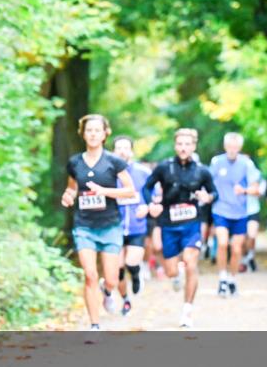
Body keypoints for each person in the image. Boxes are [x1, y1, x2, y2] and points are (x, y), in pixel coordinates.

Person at [61, 114, 136, 331]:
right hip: (84, 226)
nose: (93, 134)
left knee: (111, 279)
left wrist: (105, 191)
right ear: (83, 134)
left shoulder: (114, 161)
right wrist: (68, 195)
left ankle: (107, 289)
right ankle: (95, 324)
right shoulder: (75, 162)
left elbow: (130, 191)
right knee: (90, 275)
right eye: (89, 130)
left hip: (110, 225)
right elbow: (72, 187)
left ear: (105, 134)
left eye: (97, 130)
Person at [141, 128, 217, 328]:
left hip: (192, 224)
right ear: (175, 146)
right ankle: (176, 276)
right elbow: (146, 187)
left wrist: (207, 197)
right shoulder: (164, 167)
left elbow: (214, 193)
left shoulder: (202, 171)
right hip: (168, 223)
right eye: (180, 144)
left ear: (193, 146)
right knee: (171, 271)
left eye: (187, 144)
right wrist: (152, 204)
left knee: (191, 263)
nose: (183, 148)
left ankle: (187, 311)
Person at [208, 133, 261, 298]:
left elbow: (256, 190)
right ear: (225, 147)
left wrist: (244, 190)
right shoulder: (217, 162)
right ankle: (222, 278)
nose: (232, 150)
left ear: (239, 148)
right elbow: (208, 183)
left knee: (237, 248)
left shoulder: (246, 164)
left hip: (240, 212)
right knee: (222, 243)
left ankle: (232, 279)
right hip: (220, 210)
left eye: (235, 147)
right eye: (229, 147)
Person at [112, 136, 152, 316]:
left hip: (137, 226)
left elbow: (155, 194)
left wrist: (147, 207)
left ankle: (136, 275)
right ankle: (125, 300)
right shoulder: (107, 174)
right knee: (117, 267)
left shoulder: (143, 172)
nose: (122, 151)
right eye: (118, 148)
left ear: (132, 152)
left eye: (125, 148)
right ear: (113, 152)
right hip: (114, 227)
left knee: (131, 262)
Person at [242, 159, 265, 272]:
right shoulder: (236, 174)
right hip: (239, 211)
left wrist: (244, 190)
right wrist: (248, 189)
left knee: (252, 235)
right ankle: (244, 259)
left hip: (253, 210)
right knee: (242, 238)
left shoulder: (257, 175)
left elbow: (258, 192)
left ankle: (250, 256)